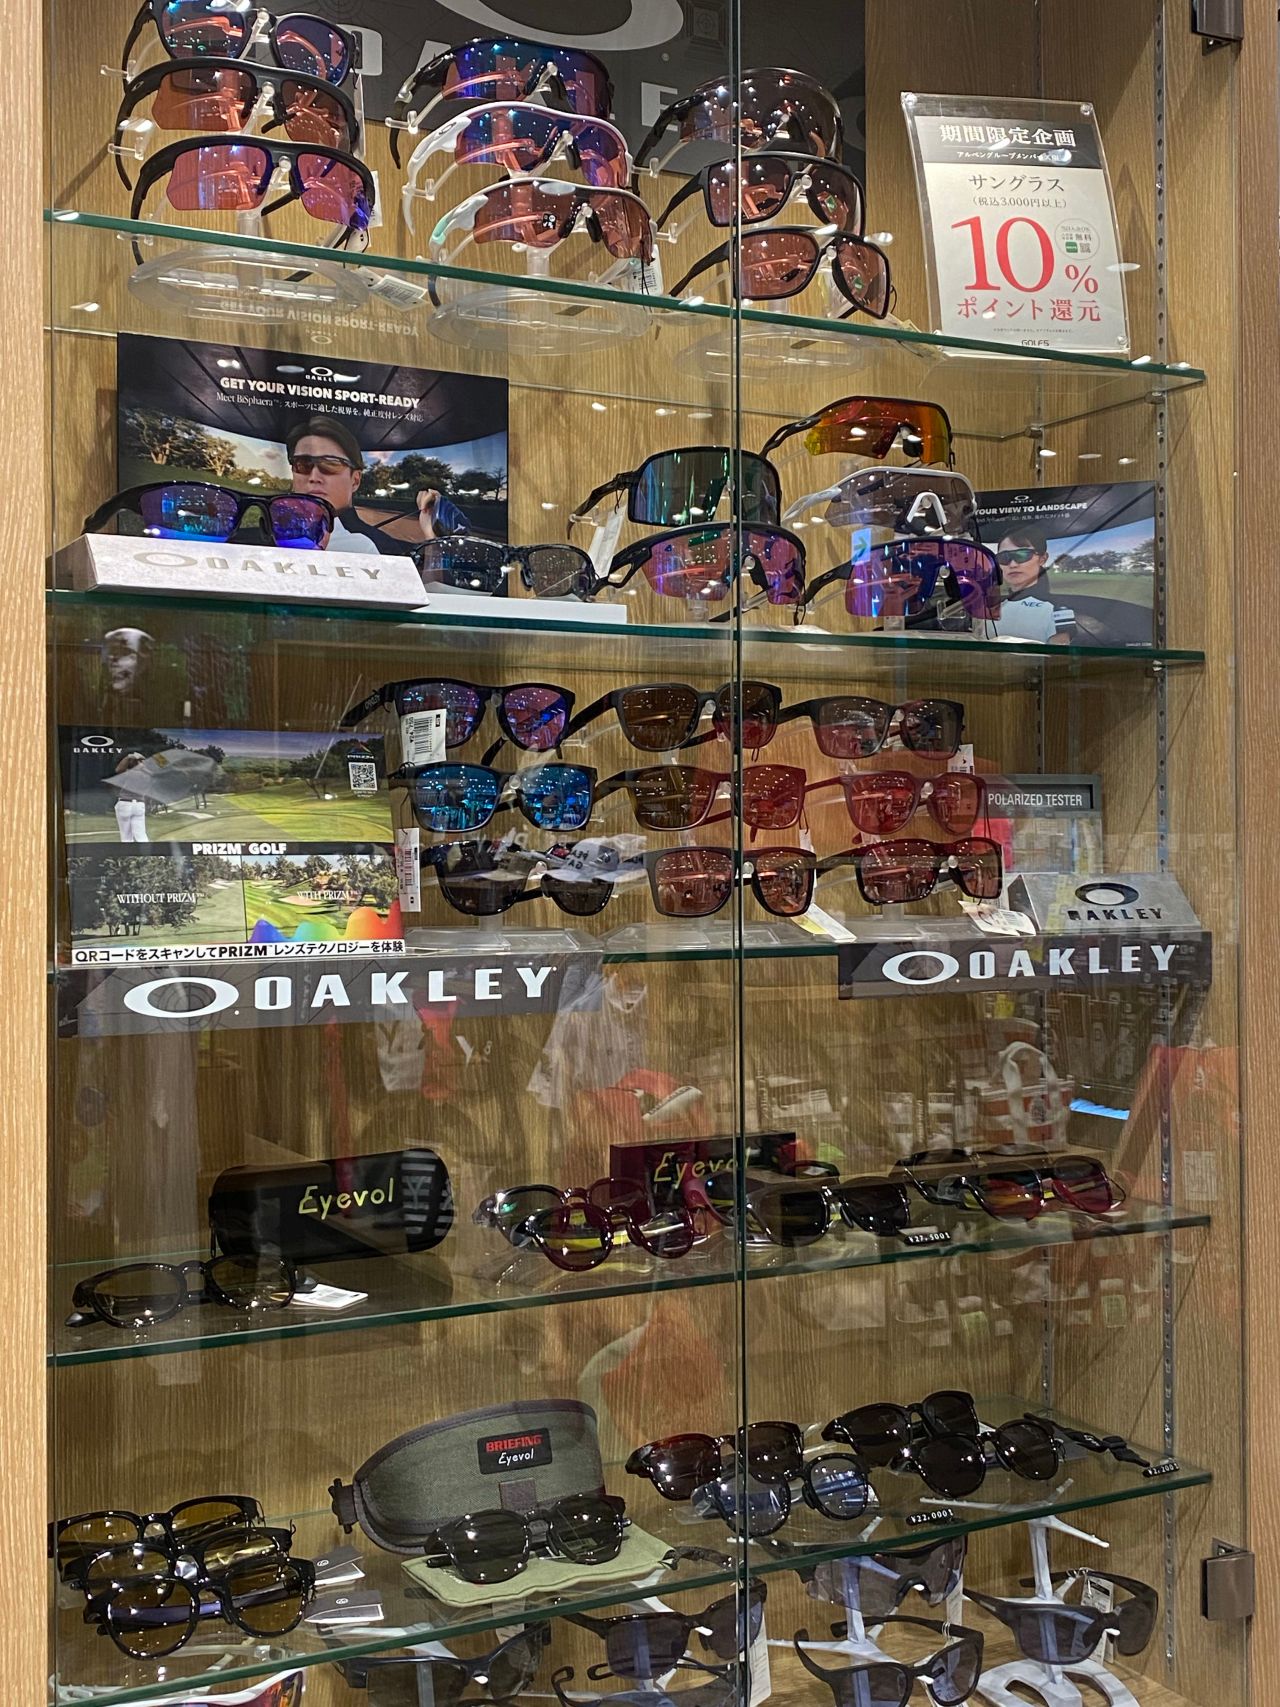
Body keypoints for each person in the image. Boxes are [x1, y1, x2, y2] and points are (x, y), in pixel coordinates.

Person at [285, 415, 442, 555]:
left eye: (330, 464)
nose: (314, 477)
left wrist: (431, 536)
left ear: (355, 480)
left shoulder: (382, 548)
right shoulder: (270, 536)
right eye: (302, 464)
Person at [991, 522, 1068, 642]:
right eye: (1004, 557)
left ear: (1042, 559)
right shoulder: (988, 608)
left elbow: (1059, 653)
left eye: (1022, 555)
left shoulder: (1057, 609)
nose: (1013, 564)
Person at [112, 753, 148, 842]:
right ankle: (147, 851)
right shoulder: (147, 775)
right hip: (139, 804)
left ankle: (127, 851)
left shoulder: (129, 773)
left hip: (125, 803)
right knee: (141, 835)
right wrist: (141, 760)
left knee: (126, 836)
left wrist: (128, 757)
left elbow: (118, 769)